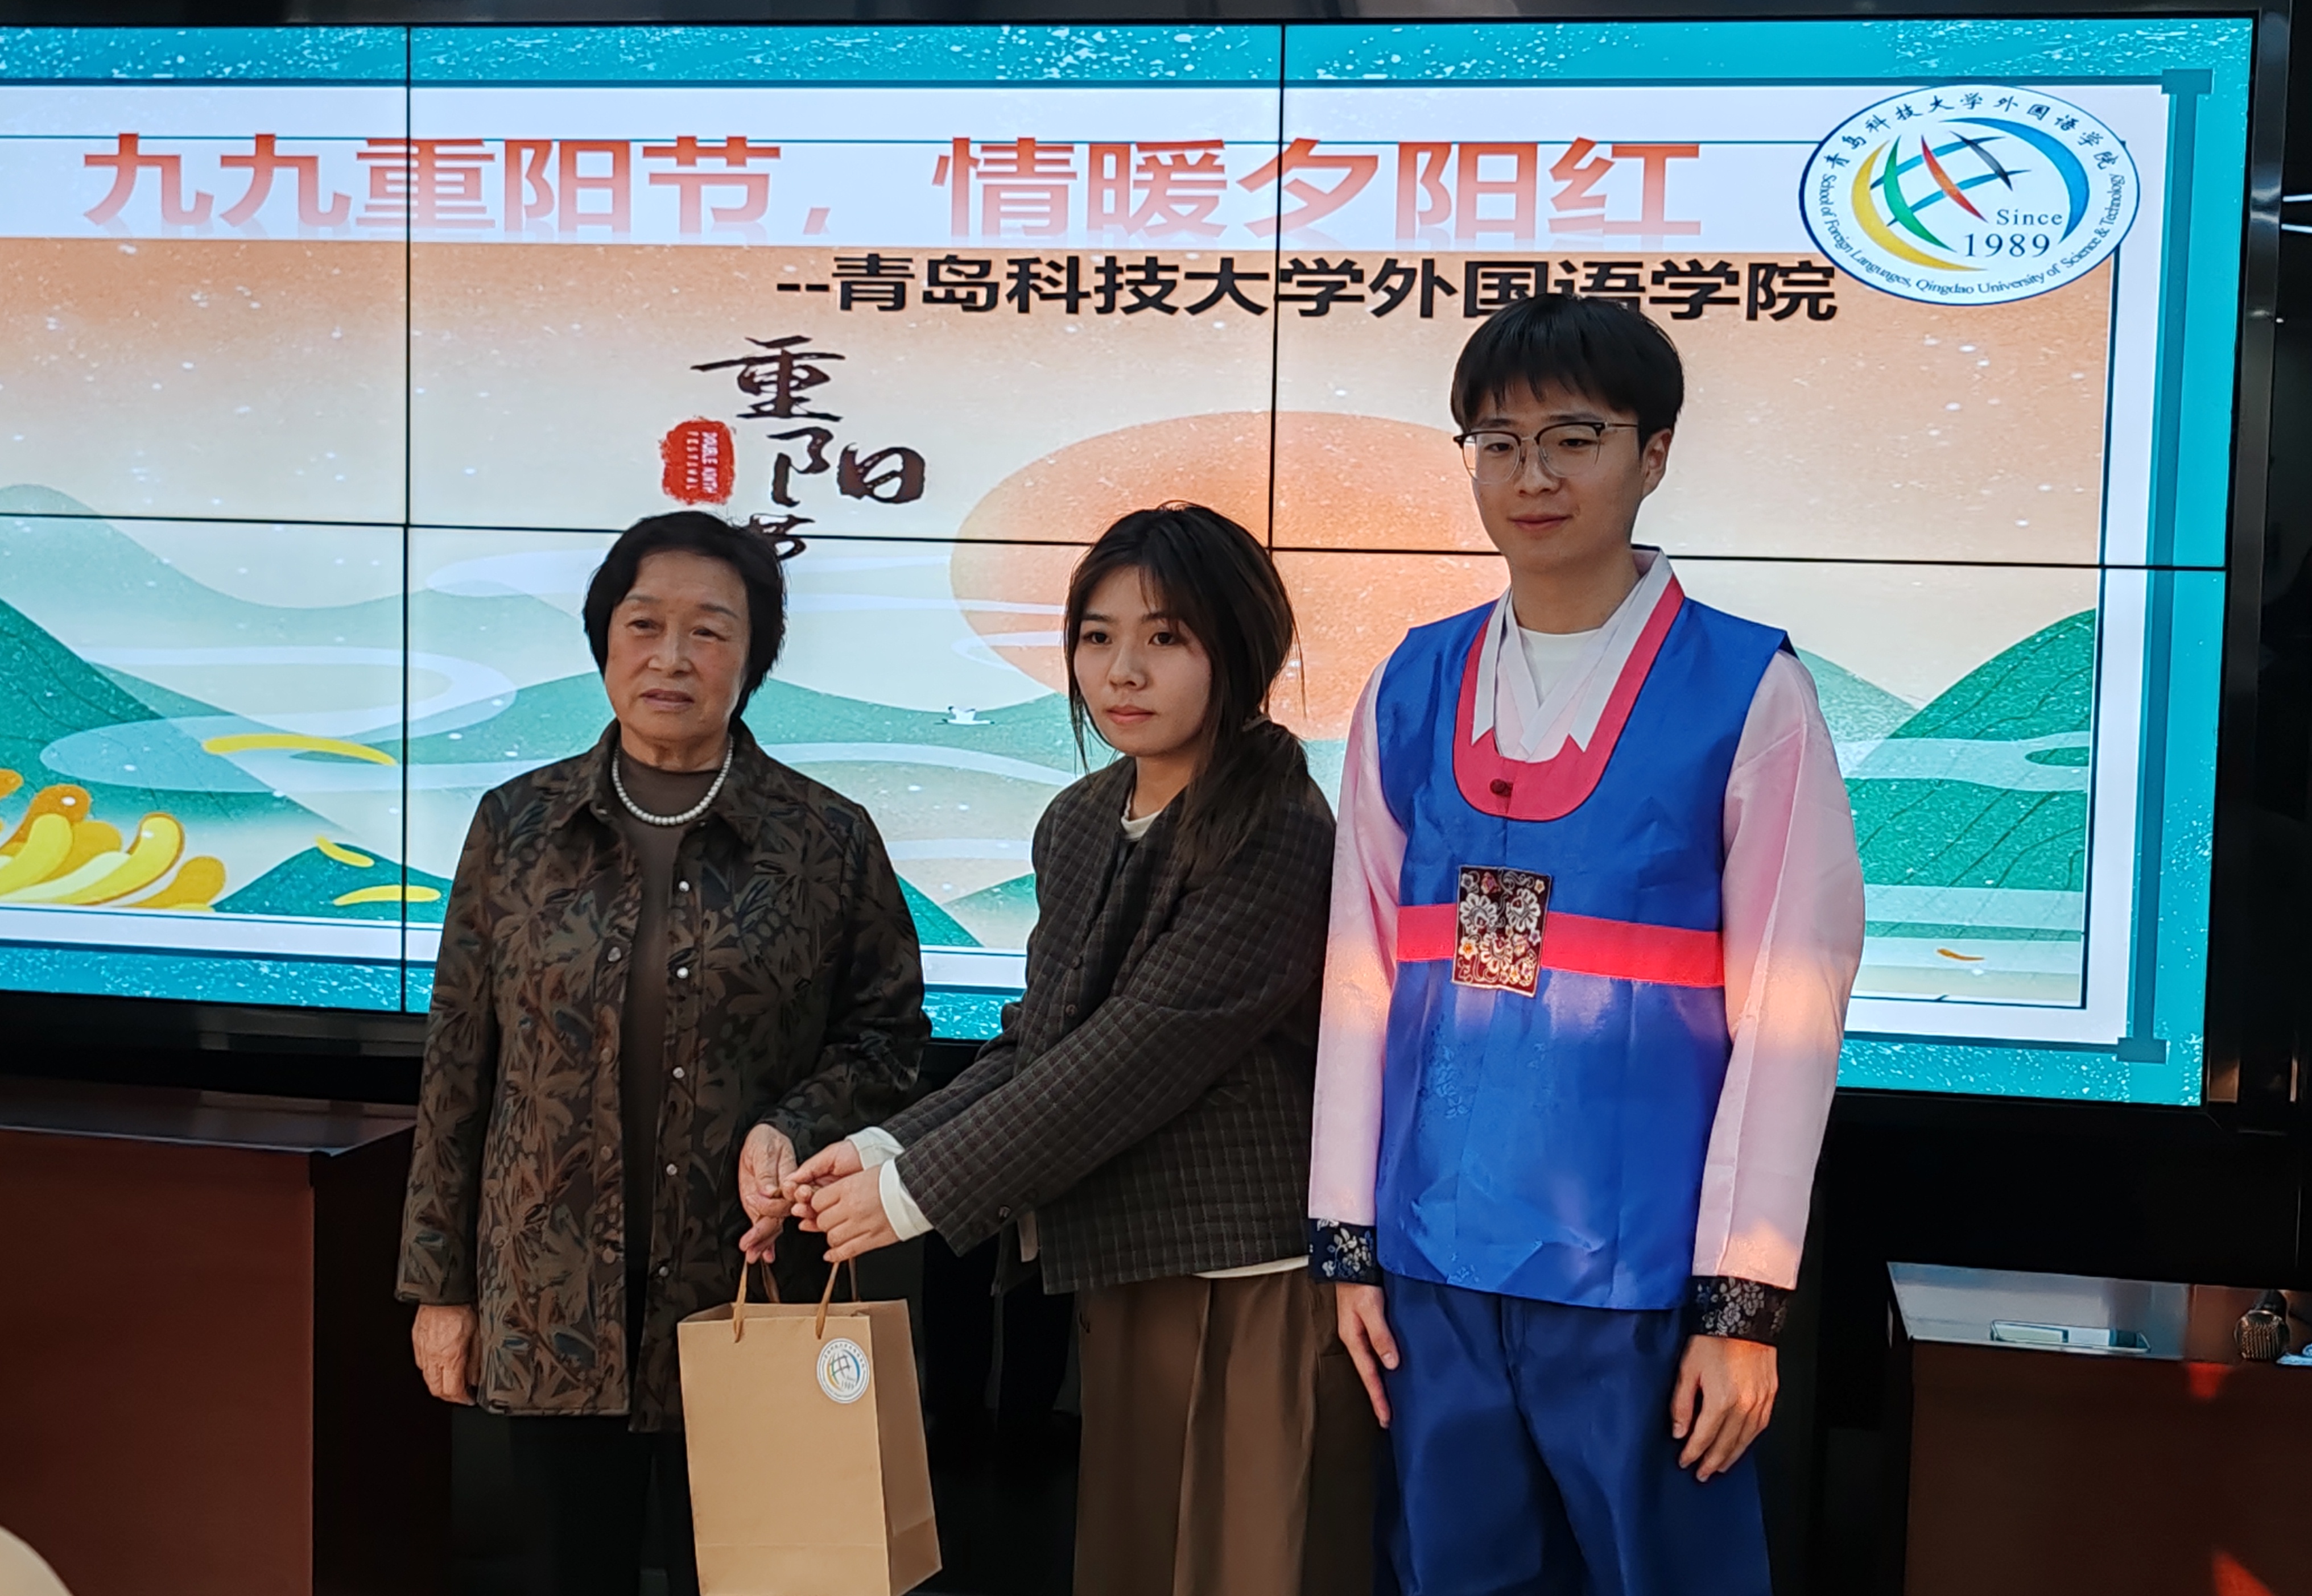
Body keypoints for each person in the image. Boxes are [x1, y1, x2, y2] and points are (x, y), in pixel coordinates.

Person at [1308, 296, 1866, 1596]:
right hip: (1436, 1270)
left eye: (1574, 438)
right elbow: (1357, 973)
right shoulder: (1411, 685)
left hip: (1642, 1284)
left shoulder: (1747, 692)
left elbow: (1791, 1011)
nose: (1533, 477)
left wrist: (1740, 1306)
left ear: (1652, 452)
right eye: (1498, 444)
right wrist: (1349, 1243)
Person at [777, 503, 1372, 1596]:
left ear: (1240, 650)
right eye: (1098, 637)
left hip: (1248, 1276)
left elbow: (1138, 1054)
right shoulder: (1080, 817)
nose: (1122, 671)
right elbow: (1043, 1040)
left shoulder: (1282, 827)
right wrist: (878, 1148)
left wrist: (914, 1194)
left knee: (1250, 1567)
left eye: (1166, 637)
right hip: (1125, 1261)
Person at [397, 510, 928, 1596]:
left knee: (751, 1579)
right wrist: (439, 1289)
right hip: (547, 1302)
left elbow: (889, 1038)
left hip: (746, 1296)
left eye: (710, 631)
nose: (672, 657)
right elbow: (458, 1068)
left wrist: (795, 1124)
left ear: (754, 656)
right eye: (644, 624)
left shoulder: (827, 839)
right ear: (605, 639)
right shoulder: (517, 827)